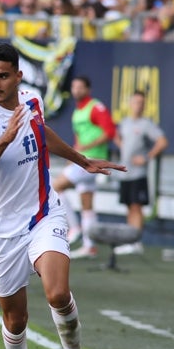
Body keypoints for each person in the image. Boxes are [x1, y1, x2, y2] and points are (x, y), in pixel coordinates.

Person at [0, 43, 123, 349]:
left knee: (58, 293)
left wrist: (81, 161)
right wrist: (3, 138)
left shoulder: (31, 100)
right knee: (16, 320)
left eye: (2, 76)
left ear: (19, 76)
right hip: (1, 232)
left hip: (43, 215)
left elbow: (41, 133)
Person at [50, 76, 116, 259]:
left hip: (92, 161)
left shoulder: (95, 107)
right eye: (74, 87)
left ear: (88, 89)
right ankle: (90, 246)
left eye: (80, 87)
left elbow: (109, 131)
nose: (76, 90)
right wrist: (74, 156)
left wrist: (87, 148)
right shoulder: (77, 112)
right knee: (87, 204)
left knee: (55, 187)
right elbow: (78, 138)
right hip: (83, 161)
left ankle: (74, 227)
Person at [112, 91, 168, 255]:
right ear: (130, 103)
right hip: (125, 172)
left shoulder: (146, 124)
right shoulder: (125, 122)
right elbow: (115, 135)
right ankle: (130, 240)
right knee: (129, 206)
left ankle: (135, 241)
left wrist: (147, 157)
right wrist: (122, 145)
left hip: (138, 174)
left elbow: (162, 141)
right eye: (136, 102)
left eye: (141, 102)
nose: (138, 105)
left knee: (137, 206)